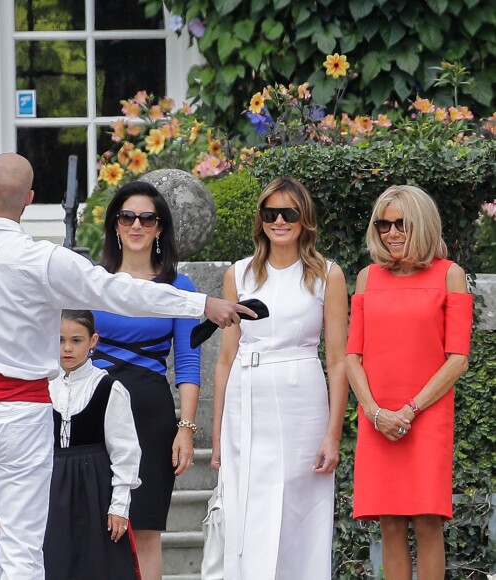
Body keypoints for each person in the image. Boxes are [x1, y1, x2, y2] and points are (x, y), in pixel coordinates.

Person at [0, 152, 256, 580]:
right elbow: (120, 292)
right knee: (23, 548)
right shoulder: (40, 259)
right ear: (29, 199)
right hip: (22, 411)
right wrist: (202, 303)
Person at [211, 176, 349, 579]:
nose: (279, 221)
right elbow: (225, 357)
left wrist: (333, 434)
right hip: (246, 396)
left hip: (303, 398)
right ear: (261, 220)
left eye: (289, 213)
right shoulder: (238, 274)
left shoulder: (328, 275)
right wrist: (217, 436)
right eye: (270, 213)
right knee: (246, 506)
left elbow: (338, 360)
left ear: (304, 218)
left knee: (301, 508)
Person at [345, 184, 473, 579]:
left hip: (426, 414)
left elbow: (458, 360)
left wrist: (409, 410)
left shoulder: (450, 274)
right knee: (390, 521)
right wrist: (375, 410)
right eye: (384, 224)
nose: (392, 232)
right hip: (378, 413)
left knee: (427, 519)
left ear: (421, 223)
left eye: (401, 223)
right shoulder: (367, 277)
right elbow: (352, 356)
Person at [91, 181, 201, 580]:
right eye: (127, 217)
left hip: (150, 414)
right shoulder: (92, 281)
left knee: (145, 530)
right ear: (115, 226)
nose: (136, 225)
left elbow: (188, 364)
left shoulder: (180, 288)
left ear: (159, 228)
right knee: (94, 524)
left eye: (147, 218)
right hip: (95, 408)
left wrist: (186, 429)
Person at [43, 309, 141, 579]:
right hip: (50, 488)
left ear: (93, 340)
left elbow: (125, 451)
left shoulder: (109, 387)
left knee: (98, 565)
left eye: (76, 340)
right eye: (60, 340)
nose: (67, 348)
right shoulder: (43, 385)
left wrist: (119, 506)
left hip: (94, 487)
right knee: (53, 562)